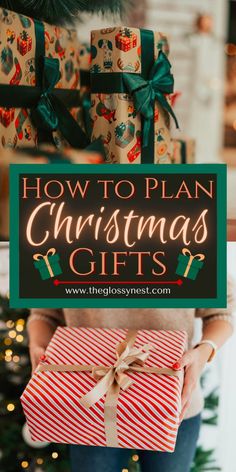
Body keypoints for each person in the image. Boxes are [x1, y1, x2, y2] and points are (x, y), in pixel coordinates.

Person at [28, 290, 234, 472]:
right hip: (88, 408)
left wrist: (205, 350)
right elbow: (43, 313)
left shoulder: (192, 246)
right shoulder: (59, 246)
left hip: (174, 407)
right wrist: (38, 345)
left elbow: (222, 310)